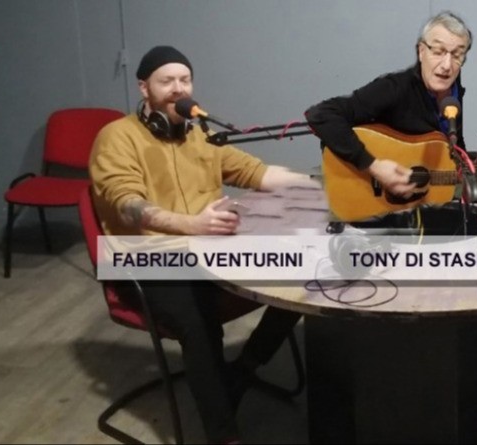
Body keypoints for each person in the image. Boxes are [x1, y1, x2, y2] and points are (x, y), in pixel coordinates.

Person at [89, 45, 318, 444]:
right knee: (198, 322)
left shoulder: (200, 135)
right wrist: (192, 225)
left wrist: (326, 185)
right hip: (147, 260)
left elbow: (255, 172)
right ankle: (223, 434)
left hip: (208, 252)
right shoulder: (116, 138)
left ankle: (241, 372)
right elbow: (127, 204)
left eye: (185, 80)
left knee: (304, 277)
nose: (178, 88)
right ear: (144, 87)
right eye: (166, 81)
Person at [304, 10, 477, 207]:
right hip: (373, 202)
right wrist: (373, 166)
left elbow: (452, 153)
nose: (447, 65)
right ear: (421, 51)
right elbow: (321, 114)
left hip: (422, 205)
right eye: (438, 52)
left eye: (457, 55)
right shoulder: (394, 89)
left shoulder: (453, 95)